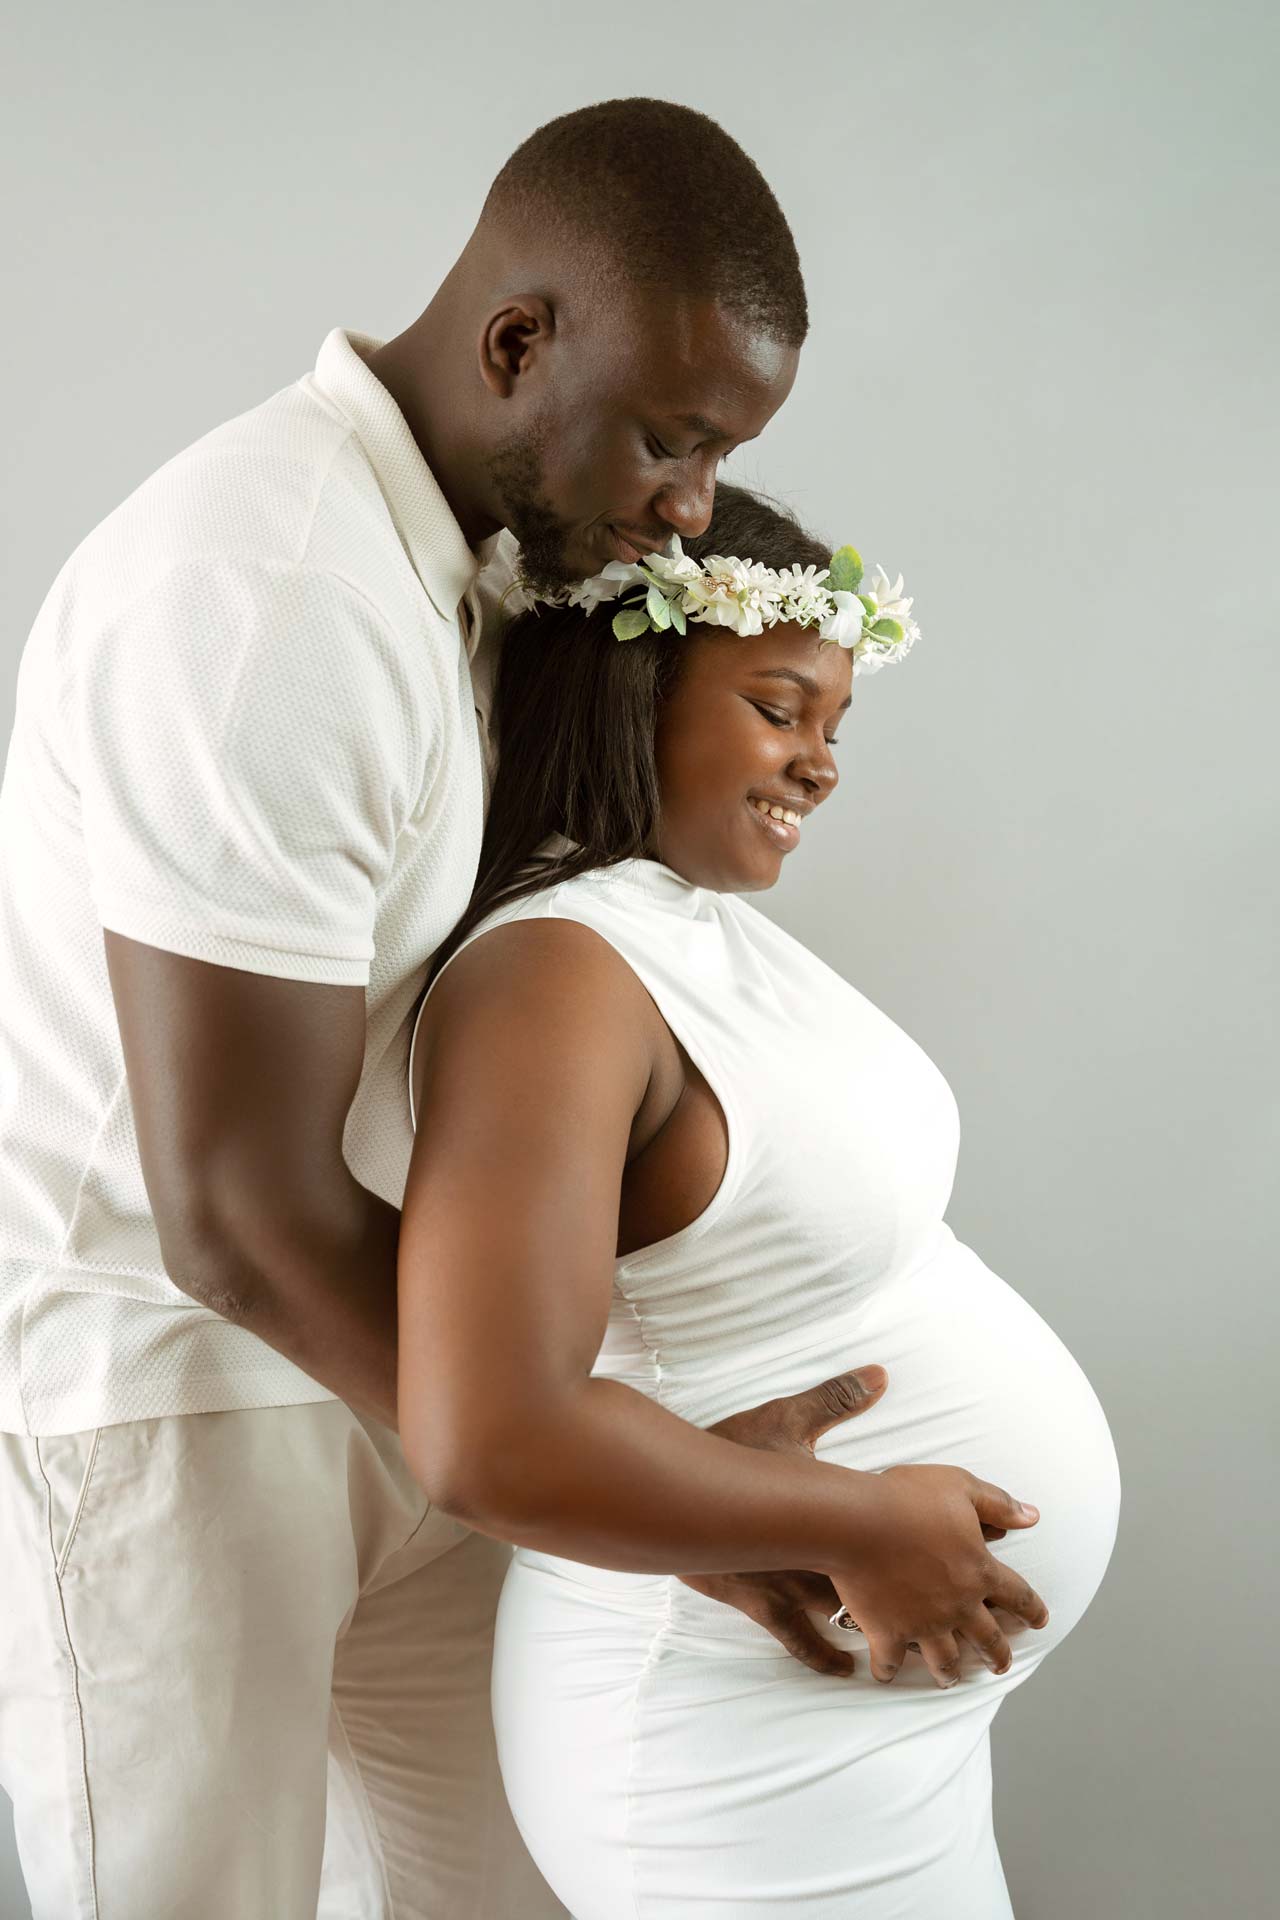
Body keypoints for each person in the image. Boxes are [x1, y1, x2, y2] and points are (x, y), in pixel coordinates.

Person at [0, 99, 852, 1919]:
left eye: (721, 455)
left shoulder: (462, 569)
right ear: (517, 342)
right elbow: (235, 1216)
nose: (692, 509)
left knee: (511, 1888)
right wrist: (647, 1493)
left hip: (392, 1371)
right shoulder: (272, 592)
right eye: (673, 439)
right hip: (174, 1404)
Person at [399, 484, 1122, 1918]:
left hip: (862, 1720)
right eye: (782, 709)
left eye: (838, 726)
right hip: (724, 1737)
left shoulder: (678, 925)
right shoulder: (551, 975)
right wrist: (853, 1522)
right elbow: (488, 1436)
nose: (822, 765)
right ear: (633, 689)